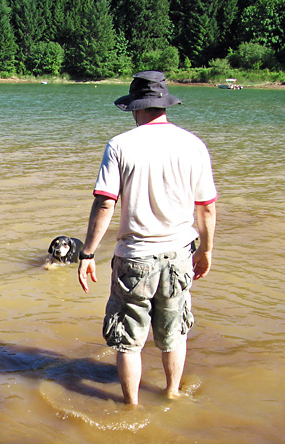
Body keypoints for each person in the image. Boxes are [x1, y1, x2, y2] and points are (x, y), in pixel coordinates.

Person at [77, 71, 217, 405]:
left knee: (128, 341)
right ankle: (171, 394)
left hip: (134, 258)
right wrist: (207, 250)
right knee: (174, 334)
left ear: (136, 107)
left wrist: (87, 254)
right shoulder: (194, 145)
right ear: (164, 104)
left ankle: (131, 407)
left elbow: (105, 203)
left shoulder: (120, 145)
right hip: (179, 254)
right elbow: (207, 209)